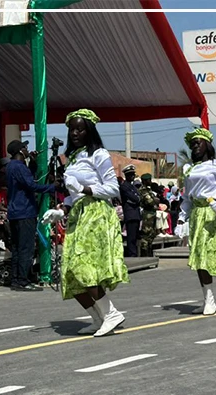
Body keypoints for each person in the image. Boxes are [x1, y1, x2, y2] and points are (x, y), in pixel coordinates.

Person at [57, 109, 128, 336]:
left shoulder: (98, 154)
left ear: (90, 131)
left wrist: (86, 189)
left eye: (80, 129)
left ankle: (111, 313)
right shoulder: (73, 158)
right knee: (69, 274)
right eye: (72, 129)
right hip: (78, 215)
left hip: (96, 215)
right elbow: (73, 194)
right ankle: (98, 318)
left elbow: (112, 188)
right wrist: (61, 208)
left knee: (85, 268)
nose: (75, 133)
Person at [179, 127, 216, 315]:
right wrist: (181, 218)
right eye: (192, 144)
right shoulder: (188, 169)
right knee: (199, 258)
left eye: (198, 142)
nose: (194, 146)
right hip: (197, 214)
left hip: (212, 212)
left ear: (207, 145)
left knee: (211, 255)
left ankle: (209, 298)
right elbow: (187, 197)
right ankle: (208, 299)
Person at [4, 139, 57, 291]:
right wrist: (51, 187)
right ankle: (23, 280)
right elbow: (32, 185)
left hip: (15, 212)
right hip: (25, 212)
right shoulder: (19, 167)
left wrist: (32, 164)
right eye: (25, 147)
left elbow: (26, 180)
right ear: (20, 151)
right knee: (26, 248)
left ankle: (16, 279)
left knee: (17, 248)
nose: (28, 149)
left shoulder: (12, 166)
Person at [119, 165, 142, 257]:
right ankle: (132, 254)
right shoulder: (124, 186)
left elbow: (138, 198)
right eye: (130, 174)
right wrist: (137, 198)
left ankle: (134, 253)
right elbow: (135, 198)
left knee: (135, 236)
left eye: (133, 174)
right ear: (126, 175)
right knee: (131, 237)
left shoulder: (132, 186)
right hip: (130, 213)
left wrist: (137, 198)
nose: (132, 176)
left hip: (135, 213)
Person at [138, 173, 160, 256]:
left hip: (152, 214)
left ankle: (149, 253)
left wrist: (155, 200)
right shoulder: (143, 190)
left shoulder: (148, 190)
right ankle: (144, 254)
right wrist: (155, 200)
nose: (150, 182)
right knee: (146, 236)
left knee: (152, 235)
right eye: (148, 180)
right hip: (147, 215)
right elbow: (150, 202)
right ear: (144, 181)